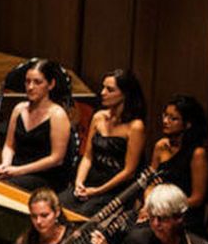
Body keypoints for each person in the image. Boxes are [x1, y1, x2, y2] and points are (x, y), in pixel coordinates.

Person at [60, 69, 146, 216]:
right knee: (57, 205)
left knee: (83, 214)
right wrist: (79, 182)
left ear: (125, 94)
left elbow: (129, 172)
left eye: (110, 90)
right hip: (90, 182)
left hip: (114, 190)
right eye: (103, 87)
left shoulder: (135, 126)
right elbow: (88, 156)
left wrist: (97, 191)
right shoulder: (98, 117)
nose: (102, 93)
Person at [0, 59, 72, 193]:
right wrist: (6, 164)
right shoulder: (19, 109)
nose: (30, 87)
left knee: (4, 188)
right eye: (27, 81)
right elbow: (9, 145)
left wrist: (19, 171)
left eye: (37, 82)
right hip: (16, 170)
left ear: (51, 85)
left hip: (44, 176)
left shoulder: (57, 115)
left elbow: (56, 159)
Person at [144, 94, 208, 235]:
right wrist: (148, 203)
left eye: (173, 118)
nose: (165, 121)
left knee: (139, 235)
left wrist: (165, 209)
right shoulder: (161, 146)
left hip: (181, 215)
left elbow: (197, 198)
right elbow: (151, 182)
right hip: (156, 210)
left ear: (187, 124)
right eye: (165, 116)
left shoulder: (197, 153)